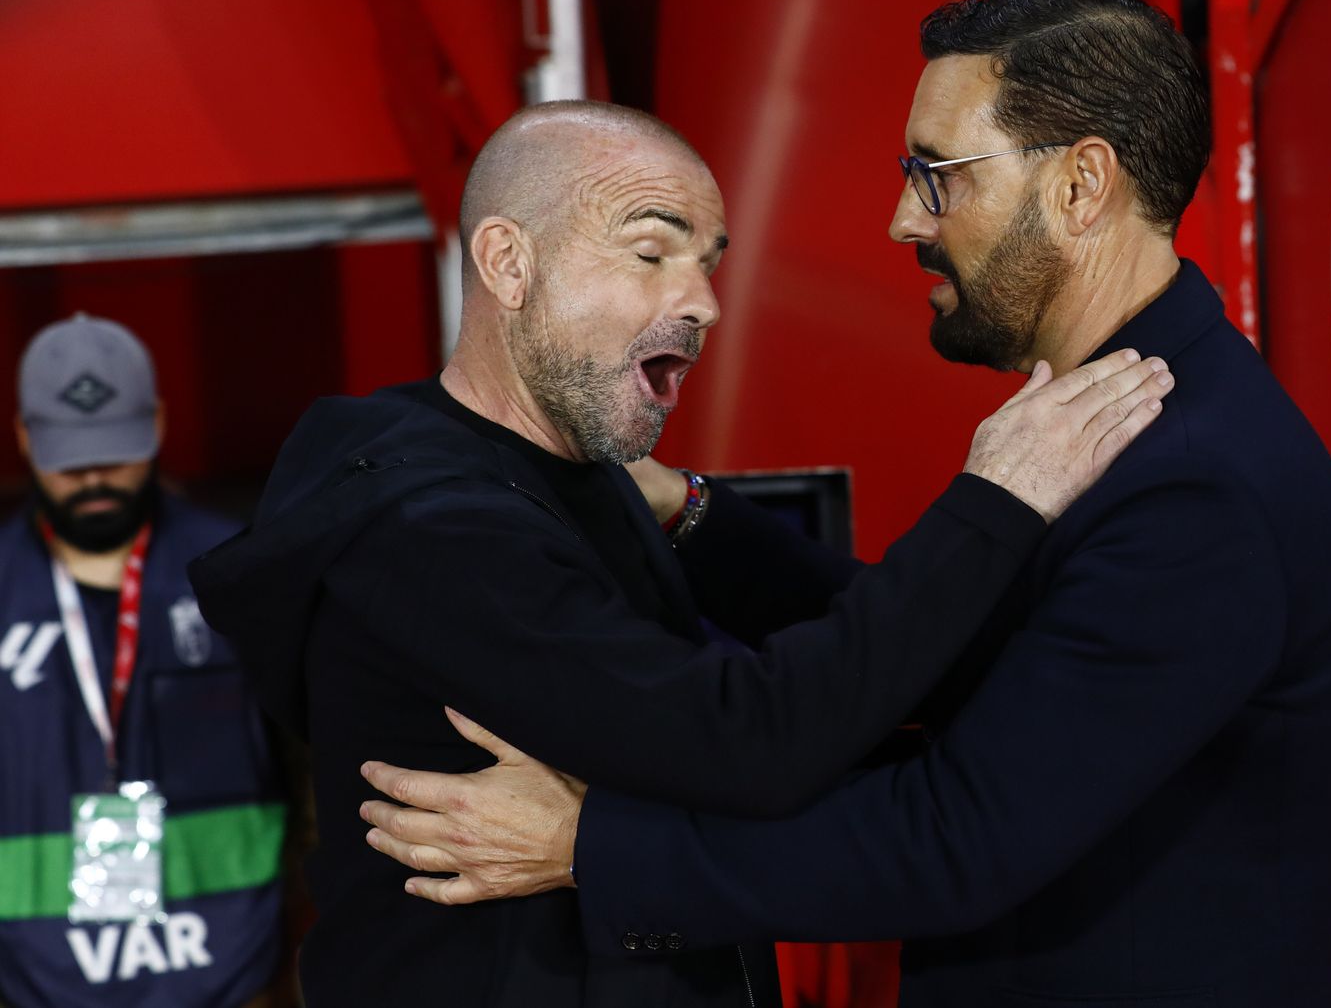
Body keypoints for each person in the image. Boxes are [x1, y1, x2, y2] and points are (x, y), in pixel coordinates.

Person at [357, 0, 1331, 1008]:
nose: (902, 219)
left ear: (1080, 186)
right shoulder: (1111, 415)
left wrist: (586, 844)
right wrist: (687, 513)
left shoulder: (1195, 489)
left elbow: (958, 836)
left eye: (937, 176)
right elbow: (953, 659)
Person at [186, 99, 1174, 1007]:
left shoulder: (565, 472)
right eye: (651, 252)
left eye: (707, 263)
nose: (701, 302)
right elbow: (754, 742)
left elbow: (851, 682)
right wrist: (997, 498)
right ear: (508, 264)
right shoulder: (433, 532)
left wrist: (698, 515)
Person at [0, 315, 286, 1008]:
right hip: (33, 978)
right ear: (25, 440)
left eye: (115, 450)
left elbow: (321, 766)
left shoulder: (241, 572)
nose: (95, 476)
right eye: (70, 458)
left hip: (234, 971)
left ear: (157, 424)